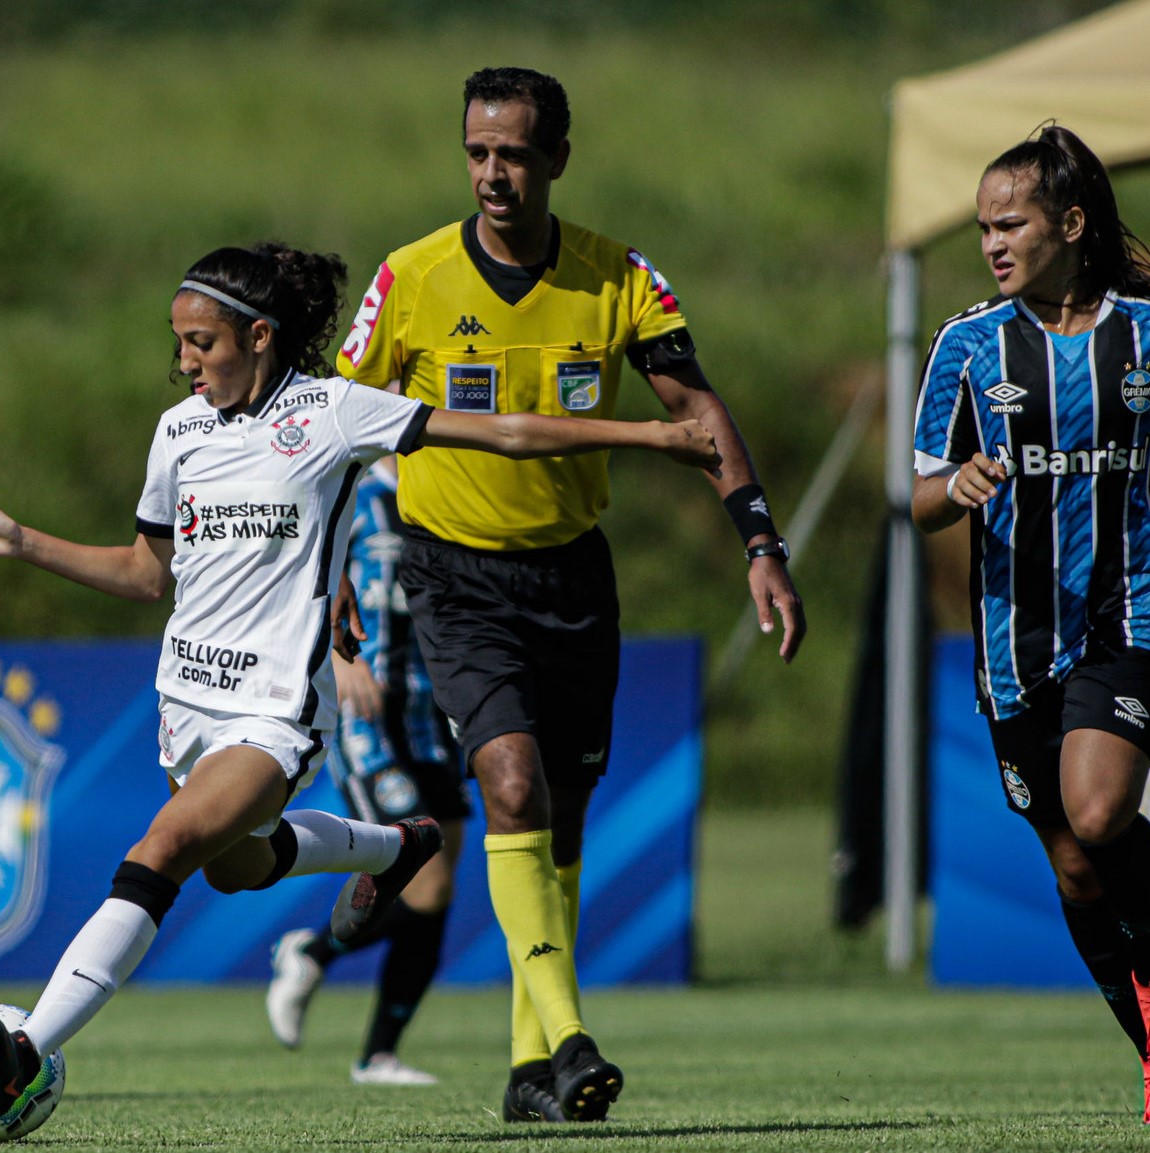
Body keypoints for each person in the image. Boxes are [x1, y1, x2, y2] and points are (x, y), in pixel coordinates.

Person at [0, 242, 719, 1127]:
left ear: (261, 335)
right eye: (179, 342)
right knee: (240, 869)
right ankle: (396, 847)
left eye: (202, 342)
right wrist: (22, 540)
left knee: (161, 852)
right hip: (184, 706)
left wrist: (650, 435)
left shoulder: (332, 412)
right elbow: (142, 571)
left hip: (272, 716)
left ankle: (28, 1047)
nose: (186, 360)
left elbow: (503, 429)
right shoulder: (178, 431)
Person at [334, 66, 805, 1123]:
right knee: (507, 785)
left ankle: (522, 1072)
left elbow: (695, 410)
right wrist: (326, 590)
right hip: (449, 572)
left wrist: (759, 539)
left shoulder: (616, 278)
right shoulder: (408, 279)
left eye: (510, 153)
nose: (490, 174)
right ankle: (572, 1034)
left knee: (562, 817)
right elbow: (328, 432)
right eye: (474, 152)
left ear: (556, 156)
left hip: (571, 573)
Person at [911, 124, 1150, 1127]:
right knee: (1068, 862)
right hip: (1010, 637)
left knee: (1099, 813)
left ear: (1069, 222)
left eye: (1007, 222)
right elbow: (915, 488)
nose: (990, 242)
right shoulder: (966, 344)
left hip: (1128, 609)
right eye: (979, 226)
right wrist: (953, 486)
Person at [264, 454, 466, 1086]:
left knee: (439, 891)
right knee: (424, 879)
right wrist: (343, 661)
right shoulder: (351, 498)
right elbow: (294, 587)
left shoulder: (451, 503)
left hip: (434, 723)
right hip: (369, 725)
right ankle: (314, 951)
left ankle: (377, 1053)